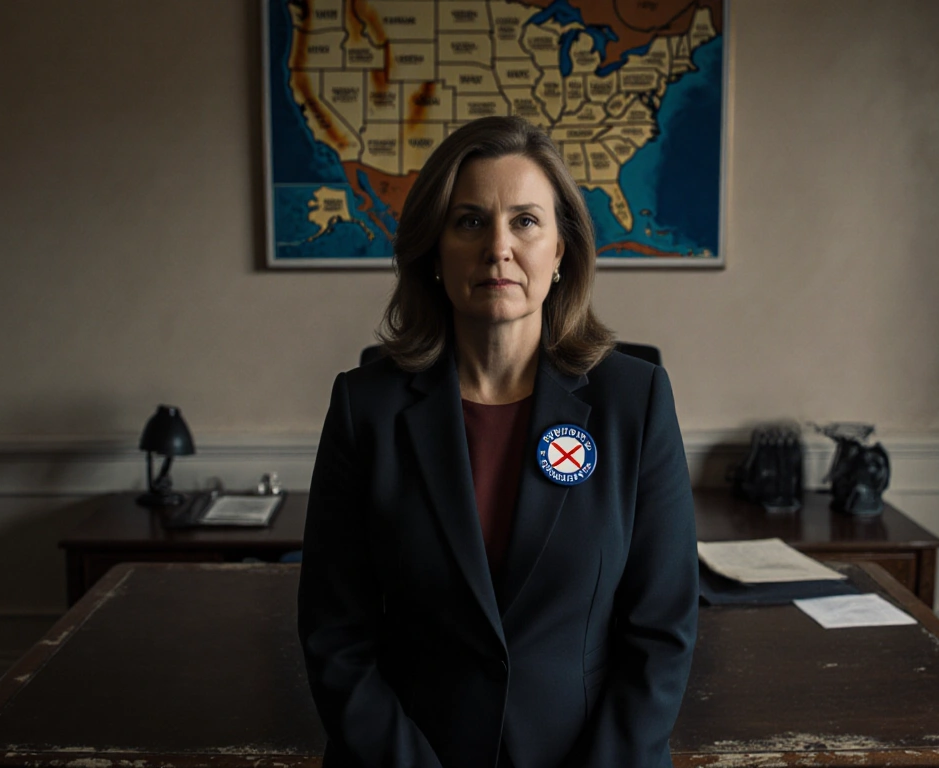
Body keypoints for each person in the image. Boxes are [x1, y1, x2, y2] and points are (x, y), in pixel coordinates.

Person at [299, 115, 698, 768]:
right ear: (434, 250)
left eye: (525, 221)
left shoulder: (636, 402)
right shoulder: (364, 408)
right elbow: (334, 634)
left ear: (562, 248)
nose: (498, 248)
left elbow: (662, 632)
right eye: (469, 221)